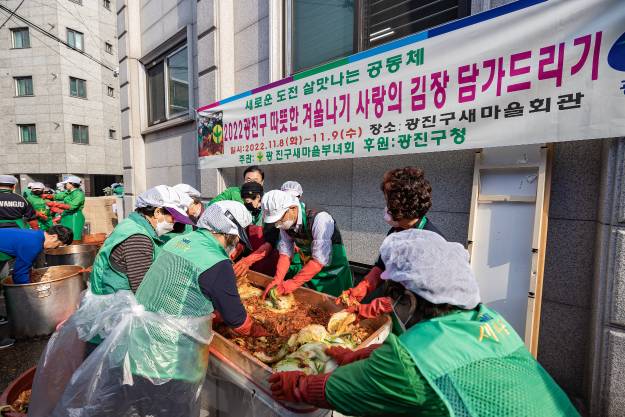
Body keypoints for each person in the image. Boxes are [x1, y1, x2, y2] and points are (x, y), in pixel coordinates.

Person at [268, 229, 580, 417]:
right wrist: (357, 356)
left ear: (411, 300)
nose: (389, 305)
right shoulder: (487, 318)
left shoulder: (405, 363)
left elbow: (341, 391)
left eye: (393, 296)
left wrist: (298, 385)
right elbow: (437, 359)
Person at [338, 167, 444, 315]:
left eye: (389, 201)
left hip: (421, 316)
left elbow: (416, 299)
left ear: (403, 205)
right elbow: (382, 266)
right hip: (394, 301)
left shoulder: (430, 244)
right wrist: (362, 288)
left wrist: (368, 309)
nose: (386, 206)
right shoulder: (397, 230)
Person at [90, 185, 191, 296]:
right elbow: (143, 291)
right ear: (157, 212)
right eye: (173, 218)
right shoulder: (138, 239)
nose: (174, 223)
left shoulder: (133, 223)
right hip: (117, 300)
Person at [261, 190, 352, 297]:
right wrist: (278, 279)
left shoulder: (320, 218)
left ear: (293, 208)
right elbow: (285, 253)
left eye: (280, 219)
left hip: (333, 273)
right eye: (275, 221)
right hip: (310, 273)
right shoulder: (284, 224)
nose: (278, 224)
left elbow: (319, 260)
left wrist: (293, 283)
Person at [233, 180, 303, 277]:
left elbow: (271, 243)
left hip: (292, 260)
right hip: (269, 258)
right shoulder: (266, 213)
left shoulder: (301, 216)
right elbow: (266, 242)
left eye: (296, 197)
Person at [0, 225, 73, 284]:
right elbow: (20, 273)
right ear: (53, 237)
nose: (56, 248)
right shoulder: (34, 244)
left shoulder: (37, 235)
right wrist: (29, 291)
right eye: (58, 244)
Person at [48, 176, 86, 242]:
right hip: (66, 215)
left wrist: (56, 205)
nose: (65, 185)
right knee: (65, 236)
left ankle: (74, 249)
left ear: (72, 184)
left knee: (74, 237)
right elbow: (58, 196)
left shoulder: (79, 194)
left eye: (67, 183)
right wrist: (47, 196)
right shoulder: (68, 192)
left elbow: (72, 206)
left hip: (74, 216)